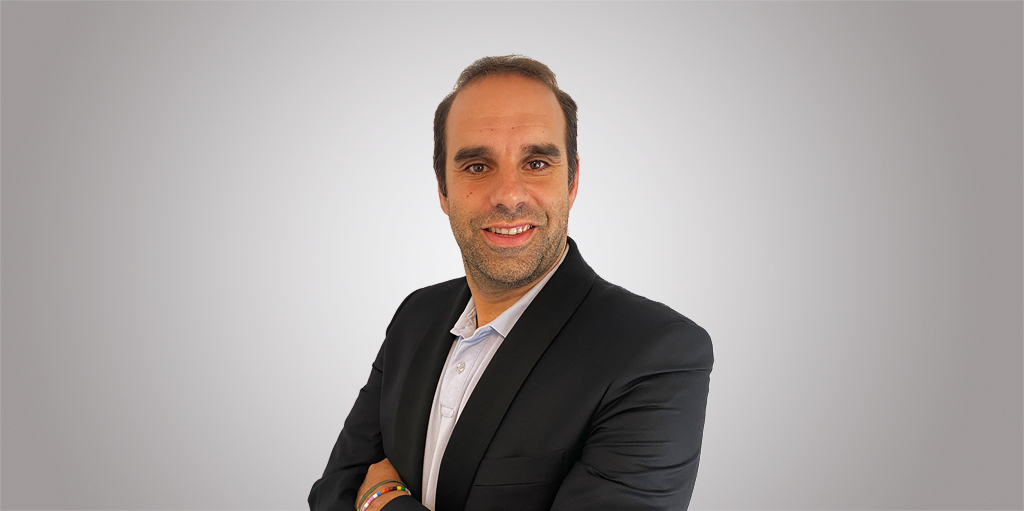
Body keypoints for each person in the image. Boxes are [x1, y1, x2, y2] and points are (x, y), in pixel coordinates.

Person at [308, 55, 713, 511]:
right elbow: (333, 490)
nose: (509, 196)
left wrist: (383, 501)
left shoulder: (656, 353)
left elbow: (360, 491)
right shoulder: (415, 317)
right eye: (477, 166)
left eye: (536, 163)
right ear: (442, 189)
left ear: (572, 181)